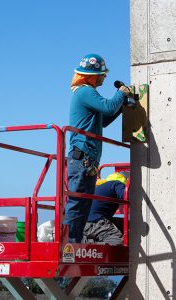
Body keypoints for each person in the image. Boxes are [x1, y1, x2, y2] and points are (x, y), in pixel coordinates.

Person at [63, 53, 131, 243]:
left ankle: (76, 244)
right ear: (93, 75)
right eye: (103, 74)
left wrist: (122, 104)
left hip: (87, 159)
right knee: (77, 204)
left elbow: (105, 119)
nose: (104, 77)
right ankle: (68, 245)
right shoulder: (85, 91)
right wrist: (121, 93)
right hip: (82, 157)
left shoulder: (87, 93)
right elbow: (109, 107)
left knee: (82, 205)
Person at [82, 171, 130, 245]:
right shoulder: (117, 184)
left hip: (84, 223)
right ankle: (85, 244)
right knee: (116, 241)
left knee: (129, 224)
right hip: (95, 222)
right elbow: (127, 196)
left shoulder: (102, 187)